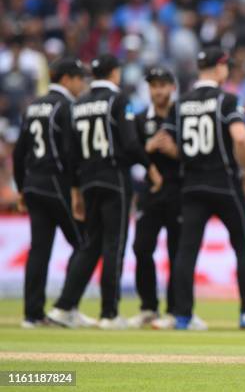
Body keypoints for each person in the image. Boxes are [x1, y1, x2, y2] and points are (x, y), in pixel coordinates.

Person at [160, 46, 245, 330]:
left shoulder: (181, 103)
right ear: (221, 67)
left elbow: (164, 141)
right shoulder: (227, 99)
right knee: (243, 245)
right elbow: (241, 138)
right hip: (223, 181)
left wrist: (188, 156)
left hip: (191, 184)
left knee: (187, 250)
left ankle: (183, 316)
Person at [47, 54, 162, 330]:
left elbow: (70, 153)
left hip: (87, 180)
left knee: (91, 245)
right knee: (115, 244)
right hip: (113, 177)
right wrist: (151, 168)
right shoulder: (119, 100)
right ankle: (109, 313)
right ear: (115, 73)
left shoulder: (79, 103)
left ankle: (64, 307)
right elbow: (132, 143)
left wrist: (75, 190)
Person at [12, 57, 96, 329]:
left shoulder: (33, 106)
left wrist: (22, 187)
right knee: (85, 243)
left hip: (33, 184)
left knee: (39, 250)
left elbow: (18, 153)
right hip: (57, 184)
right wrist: (75, 190)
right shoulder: (67, 107)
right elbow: (71, 154)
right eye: (79, 77)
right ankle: (66, 307)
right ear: (66, 79)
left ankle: (32, 315)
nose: (83, 83)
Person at [127, 67, 186, 328]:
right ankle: (149, 307)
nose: (158, 90)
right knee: (141, 247)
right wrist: (146, 150)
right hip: (150, 193)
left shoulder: (185, 117)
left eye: (163, 85)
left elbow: (199, 155)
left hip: (179, 192)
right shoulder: (139, 119)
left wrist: (175, 152)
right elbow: (128, 155)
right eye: (153, 85)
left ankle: (175, 310)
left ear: (173, 87)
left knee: (178, 252)